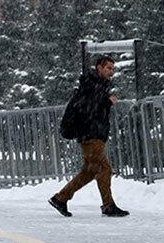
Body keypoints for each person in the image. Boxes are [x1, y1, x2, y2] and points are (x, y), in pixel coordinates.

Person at [51, 56, 130, 218]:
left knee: (88, 172)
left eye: (112, 69)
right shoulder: (91, 85)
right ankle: (108, 206)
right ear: (99, 68)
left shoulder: (96, 85)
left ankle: (60, 198)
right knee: (104, 168)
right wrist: (107, 102)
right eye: (108, 68)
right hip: (90, 135)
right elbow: (87, 109)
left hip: (93, 134)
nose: (111, 72)